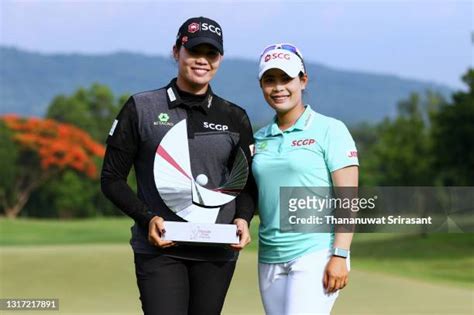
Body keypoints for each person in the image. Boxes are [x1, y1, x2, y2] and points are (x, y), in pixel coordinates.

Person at [101, 17, 256, 315]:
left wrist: (244, 219)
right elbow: (111, 179)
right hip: (161, 250)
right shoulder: (142, 108)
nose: (202, 61)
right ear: (176, 52)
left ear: (220, 59)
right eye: (194, 51)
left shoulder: (235, 116)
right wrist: (146, 218)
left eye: (211, 54)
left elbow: (246, 185)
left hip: (216, 252)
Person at [252, 43, 359, 315]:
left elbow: (348, 198)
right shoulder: (259, 138)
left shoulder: (329, 130)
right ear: (261, 85)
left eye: (286, 79)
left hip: (315, 253)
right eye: (270, 80)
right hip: (269, 257)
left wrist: (340, 255)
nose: (278, 88)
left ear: (303, 80)